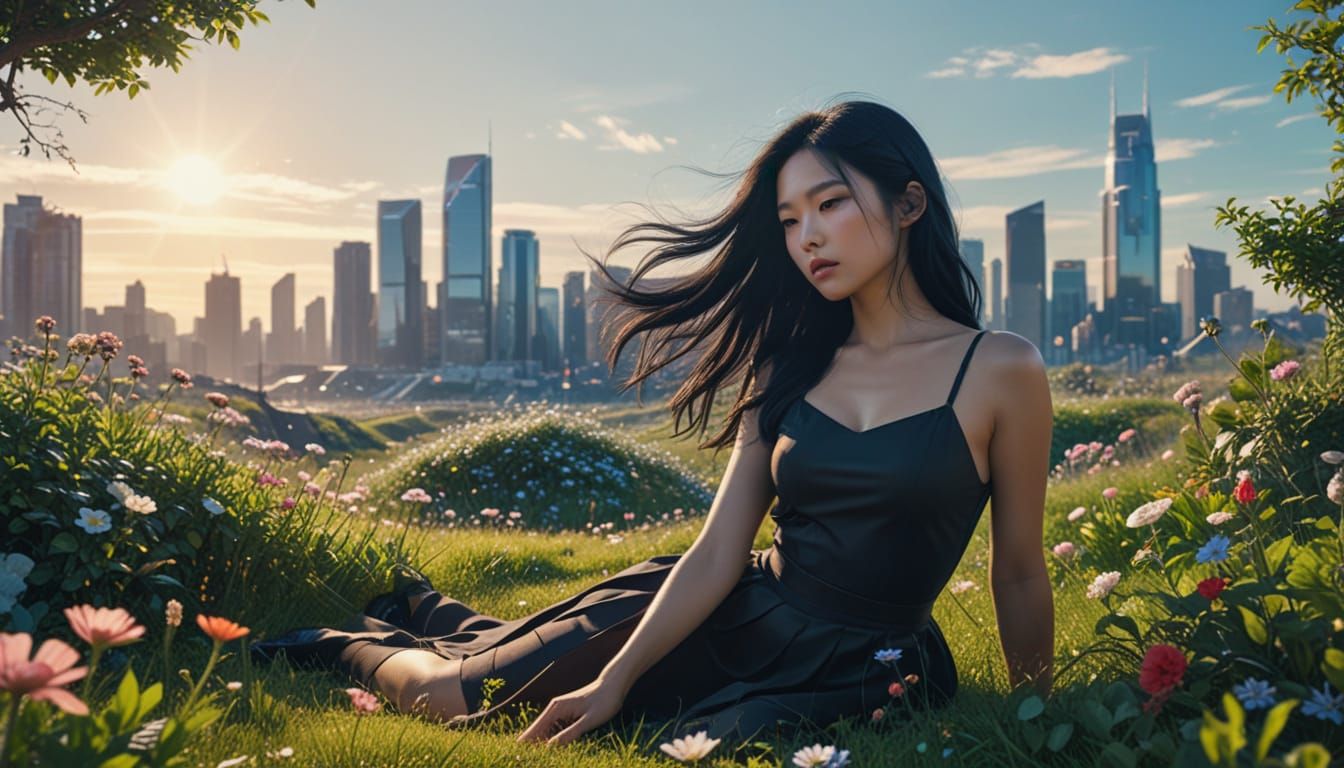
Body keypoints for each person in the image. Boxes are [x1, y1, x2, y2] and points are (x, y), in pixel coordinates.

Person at [250, 98, 1055, 756]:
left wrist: (1036, 718)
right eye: (788, 219)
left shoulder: (1000, 370)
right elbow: (718, 551)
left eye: (830, 203)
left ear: (908, 203)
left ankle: (441, 619)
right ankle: (339, 644)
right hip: (729, 612)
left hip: (874, 663)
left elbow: (1018, 571)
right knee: (450, 697)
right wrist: (616, 678)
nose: (806, 235)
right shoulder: (790, 365)